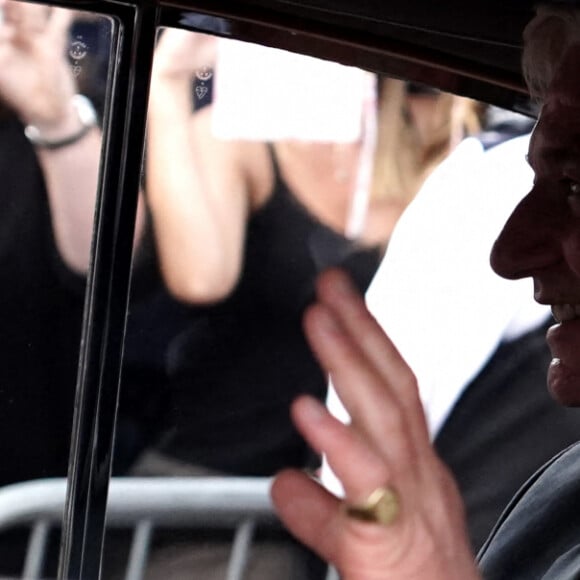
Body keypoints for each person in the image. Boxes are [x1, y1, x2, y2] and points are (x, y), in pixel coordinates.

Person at [270, 4, 580, 579]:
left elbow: (359, 463)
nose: (509, 253)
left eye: (576, 184)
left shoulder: (477, 184)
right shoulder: (560, 489)